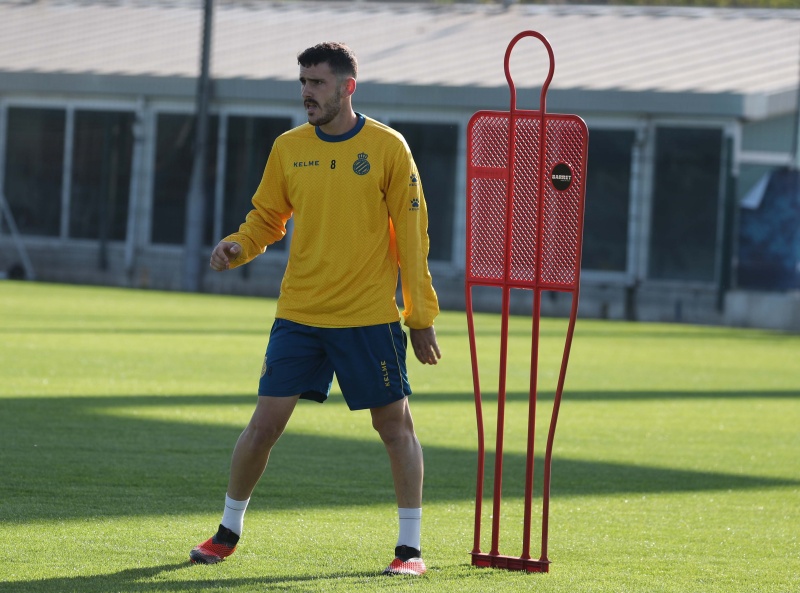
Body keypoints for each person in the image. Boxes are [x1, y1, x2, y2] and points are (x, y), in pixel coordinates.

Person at [189, 42, 441, 577]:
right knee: (263, 426)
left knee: (395, 428)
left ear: (348, 87)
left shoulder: (388, 147)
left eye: (318, 83)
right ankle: (226, 533)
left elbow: (413, 238)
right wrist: (238, 245)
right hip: (299, 314)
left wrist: (419, 316)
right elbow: (266, 218)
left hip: (368, 318)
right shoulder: (288, 147)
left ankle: (409, 550)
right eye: (303, 82)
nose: (307, 92)